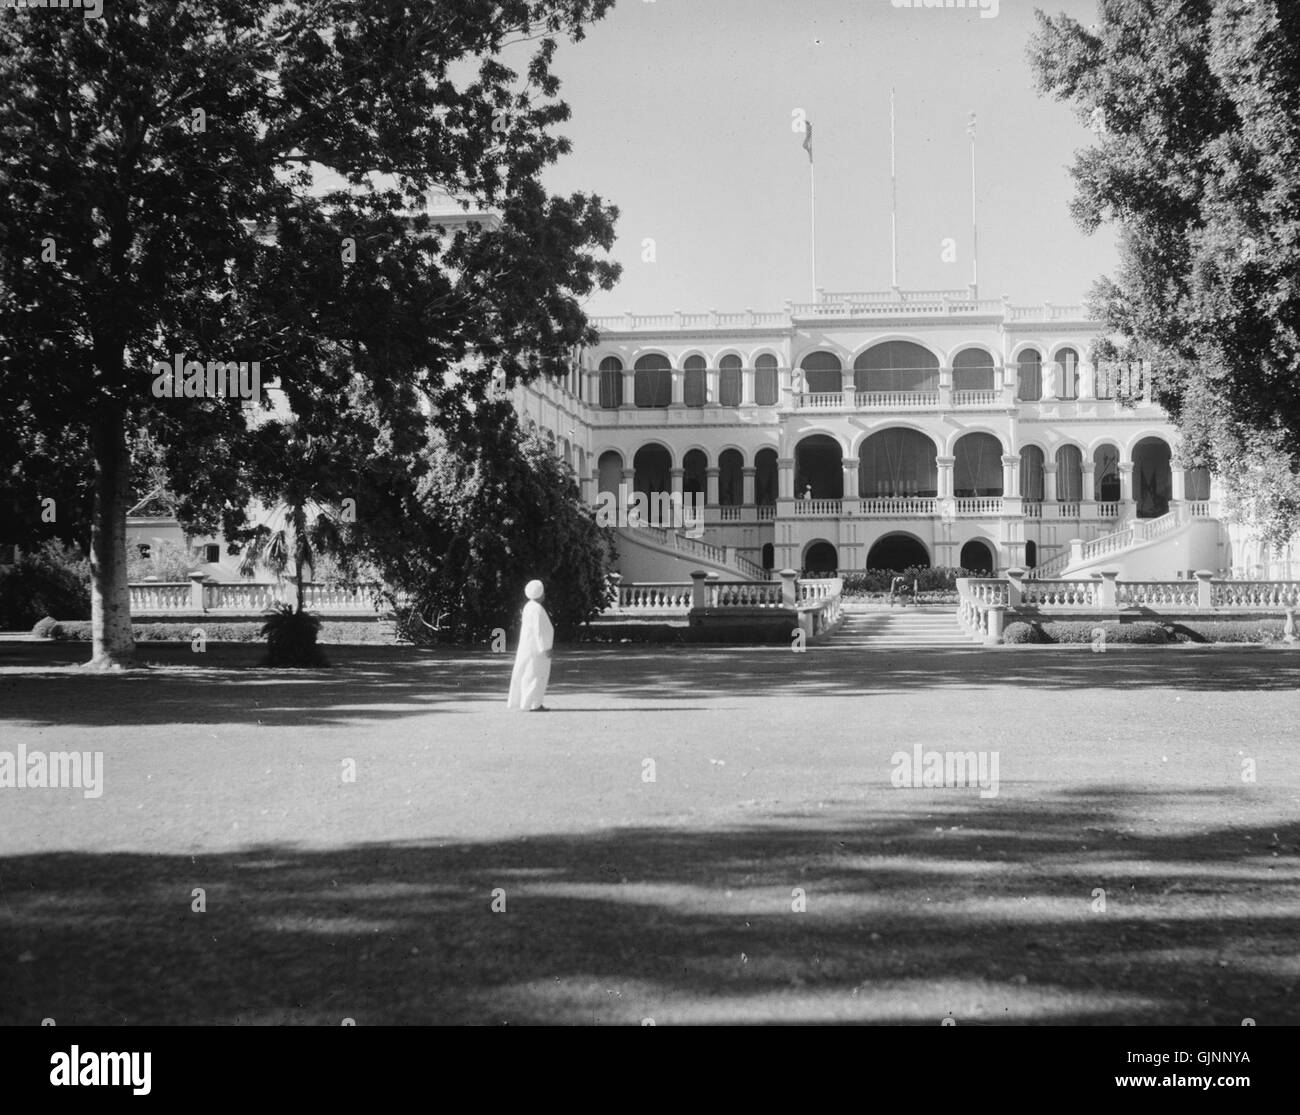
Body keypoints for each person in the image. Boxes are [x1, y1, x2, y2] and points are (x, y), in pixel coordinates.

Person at [507, 580, 554, 711]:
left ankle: (528, 702)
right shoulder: (536, 609)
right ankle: (533, 703)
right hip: (536, 649)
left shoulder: (529, 606)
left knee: (528, 674)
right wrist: (544, 648)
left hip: (530, 647)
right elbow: (539, 630)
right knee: (535, 675)